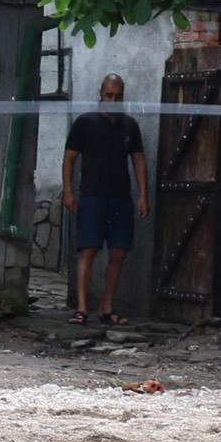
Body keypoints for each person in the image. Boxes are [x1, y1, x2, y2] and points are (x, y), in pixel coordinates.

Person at [62, 75, 148, 325]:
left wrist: (144, 194)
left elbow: (139, 159)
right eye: (109, 95)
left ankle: (106, 307)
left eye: (118, 96)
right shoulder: (85, 122)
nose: (113, 100)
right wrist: (68, 190)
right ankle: (81, 308)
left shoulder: (129, 125)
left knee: (119, 251)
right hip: (92, 195)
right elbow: (70, 157)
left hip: (120, 196)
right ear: (101, 93)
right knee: (88, 250)